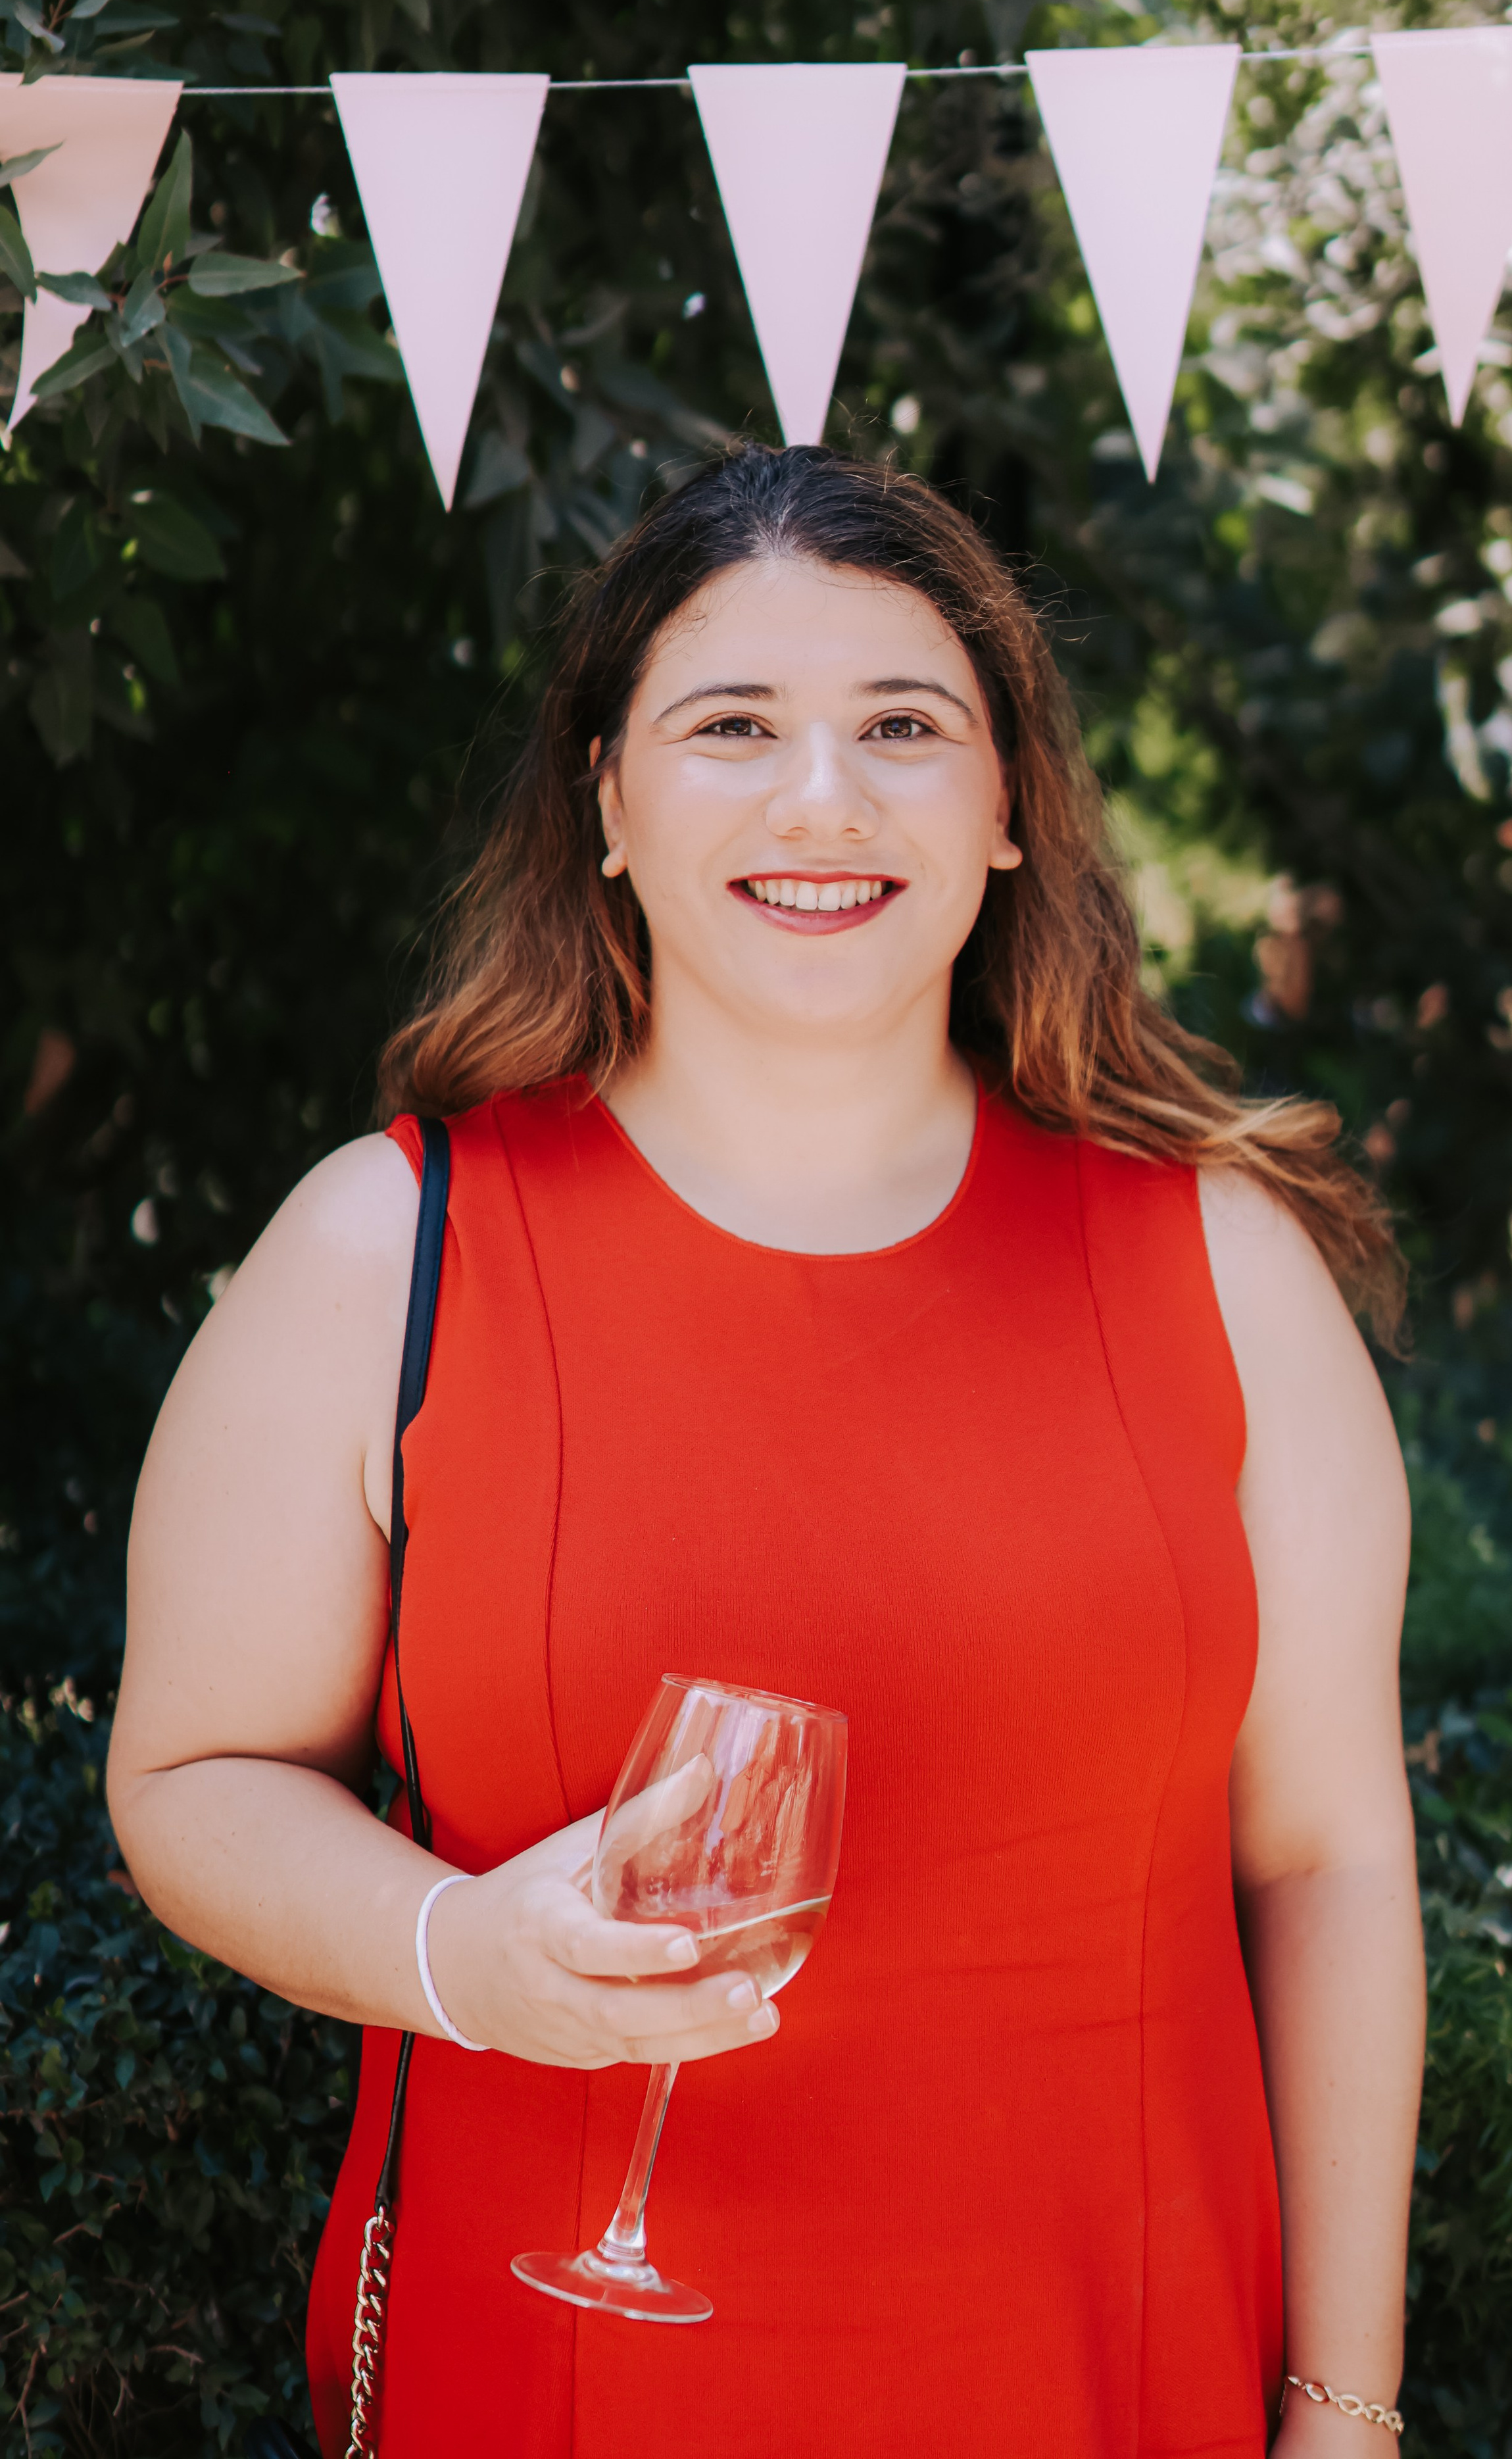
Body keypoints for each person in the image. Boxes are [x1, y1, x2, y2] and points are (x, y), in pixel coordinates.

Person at [109, 443, 1424, 2459]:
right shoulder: (388, 1246)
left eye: (906, 724)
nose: (826, 794)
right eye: (734, 725)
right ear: (608, 807)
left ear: (1007, 812)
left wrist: (1348, 2412)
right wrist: (461, 1953)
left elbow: (1327, 1862)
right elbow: (193, 1778)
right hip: (552, 2386)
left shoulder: (1228, 1272)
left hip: (1106, 2387)